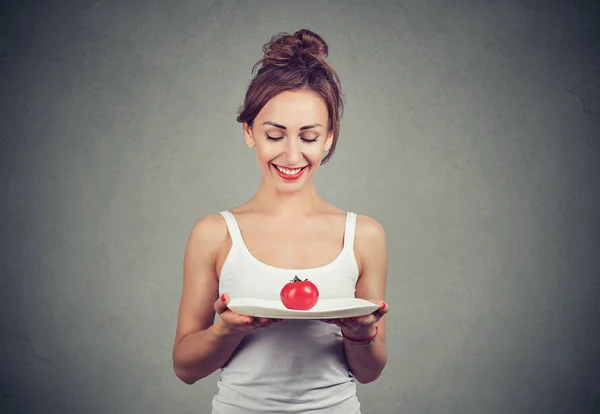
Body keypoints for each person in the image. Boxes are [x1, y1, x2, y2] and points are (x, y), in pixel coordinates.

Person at [172, 28, 389, 414]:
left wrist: (361, 335)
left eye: (309, 137)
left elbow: (370, 372)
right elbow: (185, 368)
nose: (291, 155)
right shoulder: (214, 233)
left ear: (328, 139)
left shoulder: (364, 235)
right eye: (275, 134)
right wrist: (226, 330)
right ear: (249, 132)